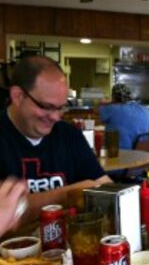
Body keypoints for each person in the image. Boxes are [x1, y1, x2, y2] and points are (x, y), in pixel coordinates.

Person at [0, 56, 112, 223]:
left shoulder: (69, 135)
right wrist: (68, 194)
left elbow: (105, 186)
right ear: (18, 96)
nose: (55, 117)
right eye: (47, 107)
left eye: (60, 108)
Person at [99, 83, 149, 149]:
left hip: (120, 153)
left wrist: (106, 102)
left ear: (113, 97)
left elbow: (99, 113)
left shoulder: (112, 109)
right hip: (143, 153)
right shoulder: (145, 109)